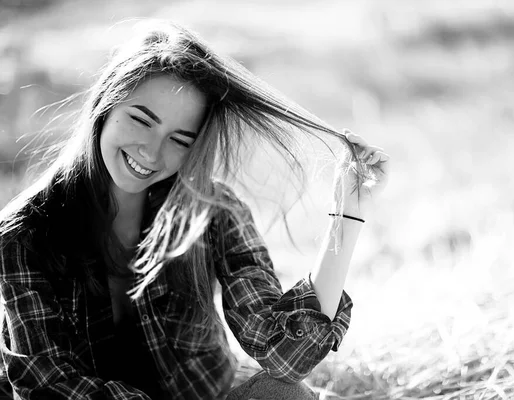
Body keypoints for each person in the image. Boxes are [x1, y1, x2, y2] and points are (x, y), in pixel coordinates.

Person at [0, 20, 390, 400]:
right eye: (141, 120)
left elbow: (285, 355)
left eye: (180, 140)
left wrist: (347, 213)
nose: (152, 153)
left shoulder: (213, 210)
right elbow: (45, 383)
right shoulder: (23, 234)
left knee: (285, 394)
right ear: (105, 104)